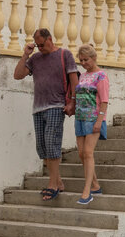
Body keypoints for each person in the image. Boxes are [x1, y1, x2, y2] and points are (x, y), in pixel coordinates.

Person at [14, 28, 79, 201]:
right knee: (42, 148)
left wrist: (72, 101)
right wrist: (26, 55)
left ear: (50, 39)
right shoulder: (35, 58)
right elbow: (18, 75)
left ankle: (52, 184)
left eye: (42, 44)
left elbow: (74, 80)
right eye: (37, 45)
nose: (40, 48)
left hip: (56, 105)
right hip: (38, 108)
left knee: (52, 143)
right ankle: (58, 181)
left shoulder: (65, 54)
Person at [73, 44, 109, 205]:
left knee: (88, 153)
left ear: (94, 58)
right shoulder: (82, 76)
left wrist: (99, 121)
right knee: (81, 154)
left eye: (86, 60)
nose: (83, 63)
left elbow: (104, 101)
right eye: (81, 60)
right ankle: (95, 184)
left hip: (93, 118)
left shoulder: (101, 76)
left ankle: (87, 191)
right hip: (80, 117)